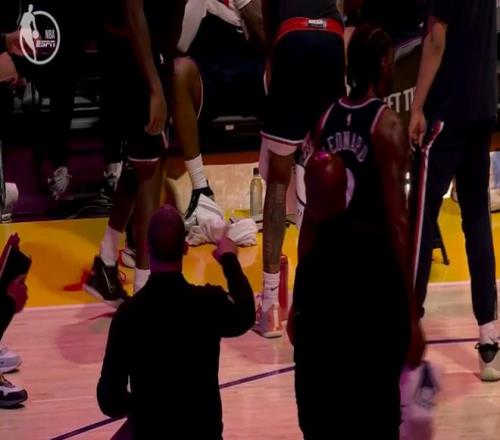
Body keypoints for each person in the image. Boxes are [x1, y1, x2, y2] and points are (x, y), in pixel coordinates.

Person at [291, 24, 423, 438]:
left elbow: (310, 221)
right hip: (372, 283)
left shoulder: (324, 119)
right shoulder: (387, 126)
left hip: (328, 281)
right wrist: (411, 314)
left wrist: (298, 300)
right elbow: (398, 223)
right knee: (376, 410)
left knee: (331, 404)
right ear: (382, 64)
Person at [97, 205, 255, 439]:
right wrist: (229, 259)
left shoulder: (129, 315)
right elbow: (246, 314)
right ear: (185, 248)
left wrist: (145, 409)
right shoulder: (208, 303)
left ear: (146, 247)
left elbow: (109, 399)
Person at [409, 0, 500, 381]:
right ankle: (489, 338)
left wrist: (417, 105)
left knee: (420, 221)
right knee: (477, 219)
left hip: (448, 110)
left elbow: (436, 38)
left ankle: (407, 331)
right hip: (482, 106)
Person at [84, 0, 186, 301]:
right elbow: (132, 9)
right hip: (140, 61)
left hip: (144, 56)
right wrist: (155, 87)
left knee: (140, 166)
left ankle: (105, 262)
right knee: (149, 175)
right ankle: (145, 292)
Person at [256, 0, 346, 338]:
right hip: (331, 38)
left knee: (279, 180)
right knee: (328, 176)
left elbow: (267, 10)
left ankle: (269, 306)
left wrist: (273, 55)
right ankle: (328, 297)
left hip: (292, 37)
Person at [172, 0, 265, 224]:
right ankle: (200, 189)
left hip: (251, 66)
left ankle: (286, 180)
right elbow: (181, 44)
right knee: (178, 71)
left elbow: (268, 38)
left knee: (284, 65)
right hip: (210, 71)